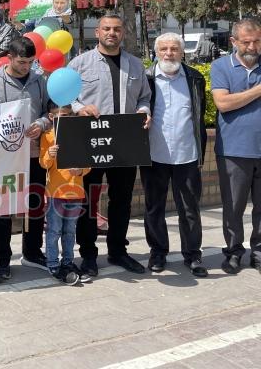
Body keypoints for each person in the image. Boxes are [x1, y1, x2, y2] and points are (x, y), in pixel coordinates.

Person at [67, 14, 152, 277]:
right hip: (91, 141)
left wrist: (144, 111)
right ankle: (89, 255)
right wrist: (80, 108)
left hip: (125, 142)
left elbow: (145, 97)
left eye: (116, 29)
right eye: (106, 29)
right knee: (88, 201)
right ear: (98, 32)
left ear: (123, 33)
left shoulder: (135, 65)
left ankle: (117, 251)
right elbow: (65, 97)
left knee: (121, 200)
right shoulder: (79, 64)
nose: (111, 33)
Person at [0, 37, 51, 277]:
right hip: (4, 159)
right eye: (22, 62)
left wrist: (42, 124)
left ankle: (32, 251)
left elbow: (48, 111)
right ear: (9, 58)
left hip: (34, 154)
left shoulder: (39, 80)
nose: (26, 67)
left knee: (35, 203)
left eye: (30, 62)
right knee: (3, 208)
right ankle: (3, 257)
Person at [142, 33, 208, 277]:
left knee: (189, 209)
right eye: (164, 49)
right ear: (156, 52)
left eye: (174, 49)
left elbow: (199, 116)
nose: (169, 53)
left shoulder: (194, 78)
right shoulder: (146, 78)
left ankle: (192, 255)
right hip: (154, 155)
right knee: (154, 207)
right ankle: (158, 252)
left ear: (182, 53)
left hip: (187, 155)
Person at [210, 18, 261, 275]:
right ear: (233, 41)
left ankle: (259, 252)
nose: (252, 46)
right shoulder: (220, 66)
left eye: (257, 41)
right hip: (233, 150)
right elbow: (224, 104)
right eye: (246, 42)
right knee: (234, 206)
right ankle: (233, 252)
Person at [39, 103, 91, 285]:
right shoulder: (47, 136)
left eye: (69, 115)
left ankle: (68, 262)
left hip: (76, 191)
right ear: (51, 117)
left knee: (70, 231)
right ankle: (52, 263)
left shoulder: (79, 136)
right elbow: (43, 164)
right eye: (62, 115)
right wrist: (50, 155)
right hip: (56, 192)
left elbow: (88, 163)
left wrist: (81, 171)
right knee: (53, 231)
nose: (67, 119)